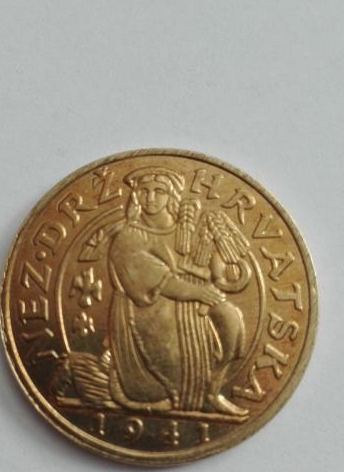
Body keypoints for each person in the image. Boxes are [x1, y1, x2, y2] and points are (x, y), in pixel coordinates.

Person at [107, 166, 249, 417]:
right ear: (136, 195)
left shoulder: (186, 231)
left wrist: (213, 271)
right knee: (171, 334)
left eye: (159, 191)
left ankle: (212, 390)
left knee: (231, 318)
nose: (151, 197)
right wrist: (198, 293)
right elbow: (157, 282)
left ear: (171, 195)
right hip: (146, 312)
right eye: (145, 191)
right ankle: (179, 393)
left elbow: (210, 269)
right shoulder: (128, 237)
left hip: (187, 299)